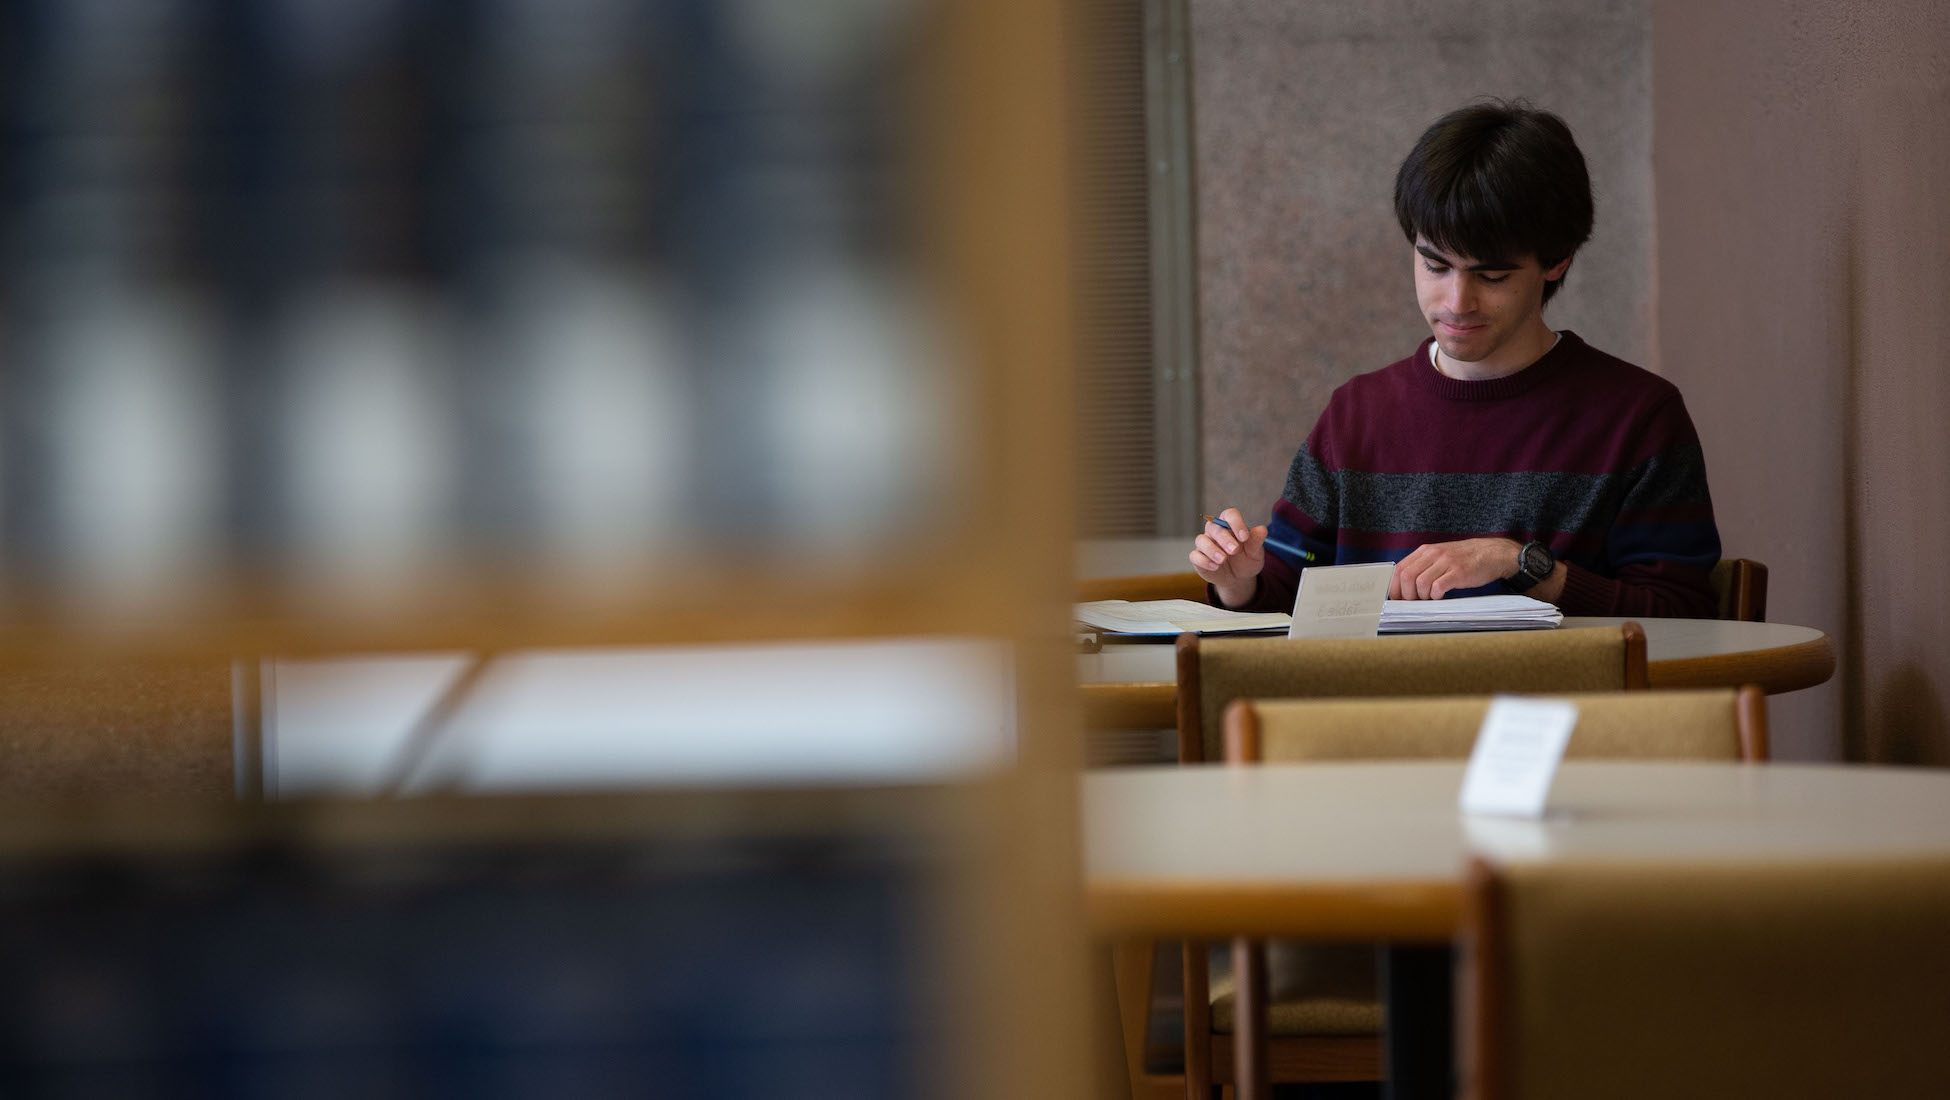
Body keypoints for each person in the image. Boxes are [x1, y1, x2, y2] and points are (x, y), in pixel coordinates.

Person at [1192, 100, 1721, 618]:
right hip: (1375, 704)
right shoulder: (1358, 413)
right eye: (1434, 265)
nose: (1456, 303)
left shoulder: (1638, 417)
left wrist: (1523, 566)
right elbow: (1288, 588)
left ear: (1556, 262)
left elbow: (1683, 616)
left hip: (1556, 706)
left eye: (1491, 277)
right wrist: (1240, 583)